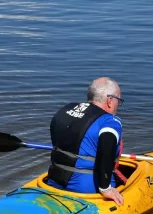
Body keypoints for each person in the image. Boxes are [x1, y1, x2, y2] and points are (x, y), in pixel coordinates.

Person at [46, 77, 125, 206]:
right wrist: (106, 188)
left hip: (54, 181)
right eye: (118, 100)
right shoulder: (110, 121)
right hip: (85, 190)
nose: (118, 105)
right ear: (110, 100)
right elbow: (106, 152)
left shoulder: (66, 110)